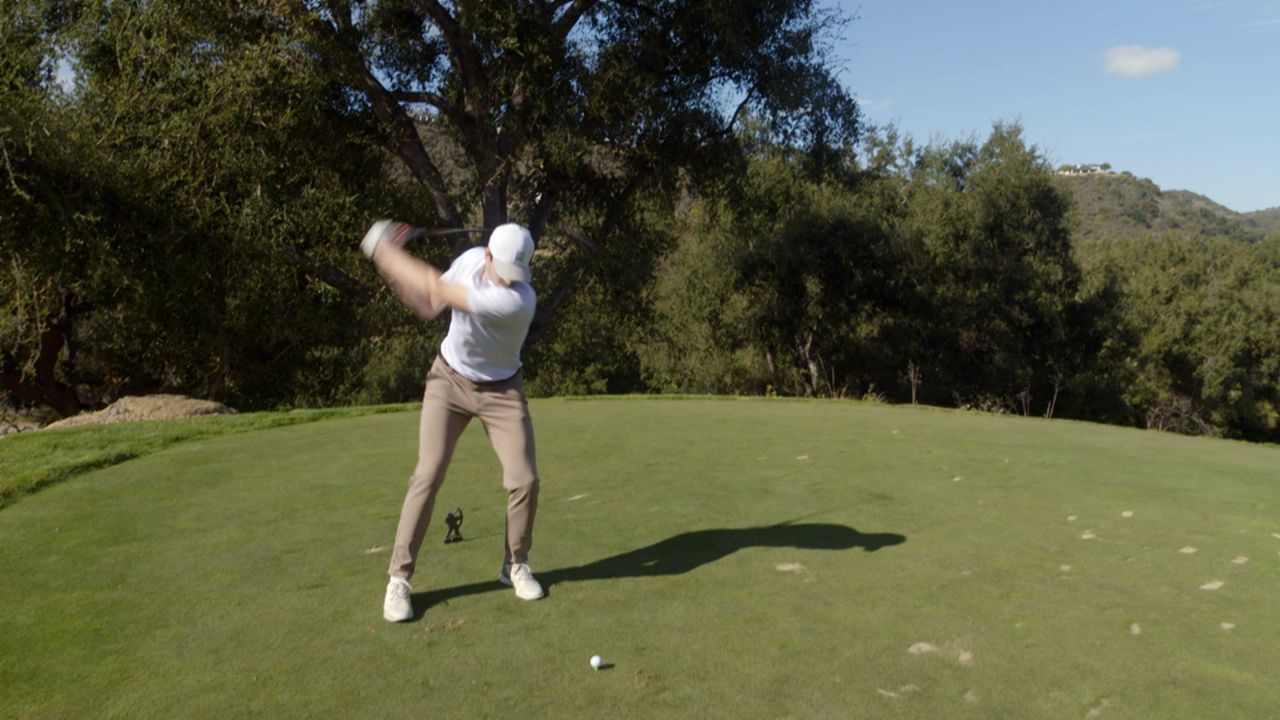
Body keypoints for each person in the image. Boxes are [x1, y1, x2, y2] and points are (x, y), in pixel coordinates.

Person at [360, 220, 544, 623]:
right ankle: (399, 579)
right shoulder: (469, 261)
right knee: (427, 474)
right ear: (488, 255)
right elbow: (428, 303)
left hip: (501, 391)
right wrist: (392, 270)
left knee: (524, 479)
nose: (511, 282)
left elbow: (433, 287)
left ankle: (515, 564)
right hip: (449, 381)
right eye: (504, 271)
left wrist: (387, 252)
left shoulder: (517, 301)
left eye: (519, 276)